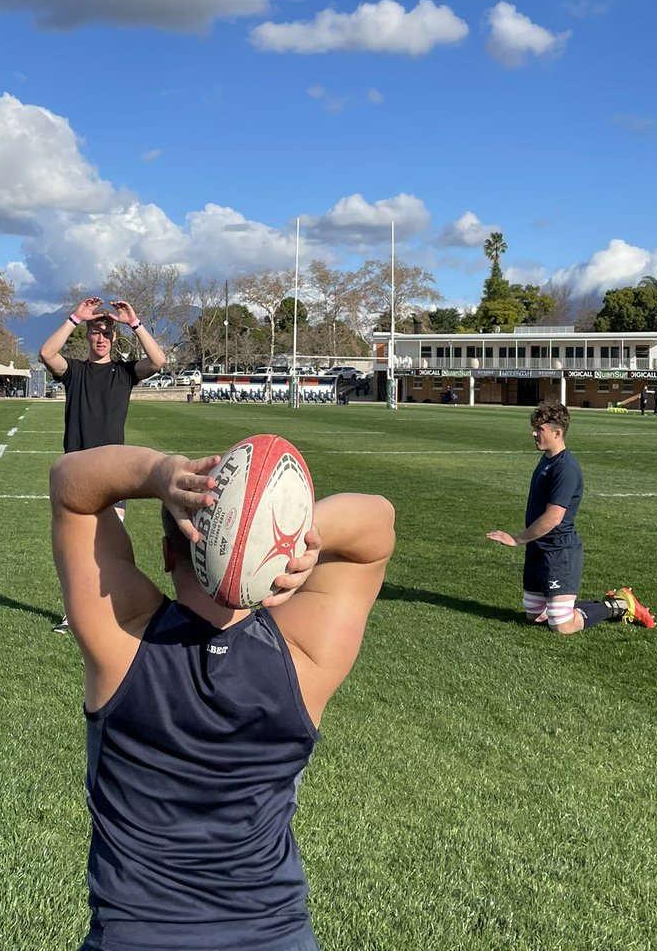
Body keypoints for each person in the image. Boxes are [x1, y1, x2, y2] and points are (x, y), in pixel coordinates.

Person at [49, 442, 396, 950]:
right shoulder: (305, 658)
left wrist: (158, 472)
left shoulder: (120, 639)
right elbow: (379, 523)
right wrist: (294, 529)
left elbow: (70, 486)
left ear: (169, 554)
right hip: (275, 938)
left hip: (135, 938)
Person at [40, 297, 167, 633]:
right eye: (95, 333)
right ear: (87, 337)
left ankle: (115, 611)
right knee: (76, 551)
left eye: (106, 333)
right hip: (77, 474)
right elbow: (46, 354)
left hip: (112, 475)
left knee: (108, 551)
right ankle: (75, 614)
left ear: (113, 338)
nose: (100, 338)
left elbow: (158, 360)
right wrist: (73, 318)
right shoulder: (75, 372)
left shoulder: (124, 374)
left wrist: (135, 323)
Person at [486, 401, 655, 634]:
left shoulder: (565, 468)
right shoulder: (547, 459)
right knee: (535, 615)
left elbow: (554, 518)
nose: (533, 433)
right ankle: (566, 605)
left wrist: (517, 539)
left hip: (559, 551)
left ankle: (618, 604)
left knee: (562, 625)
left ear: (557, 433)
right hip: (538, 549)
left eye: (540, 429)